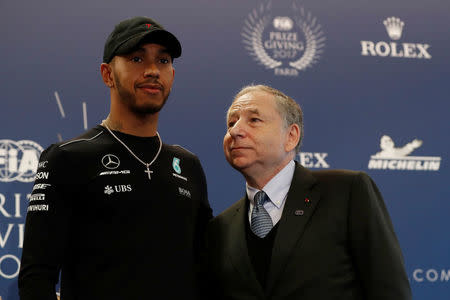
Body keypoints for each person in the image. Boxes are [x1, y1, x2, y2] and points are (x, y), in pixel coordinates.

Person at [19, 16, 212, 300]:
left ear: (172, 75)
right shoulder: (67, 157)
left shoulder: (188, 164)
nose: (152, 71)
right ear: (107, 74)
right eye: (136, 59)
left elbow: (205, 271)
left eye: (163, 60)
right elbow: (36, 279)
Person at [205, 84, 411, 299]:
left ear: (291, 136)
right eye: (231, 122)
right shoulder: (220, 228)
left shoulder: (347, 192)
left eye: (254, 120)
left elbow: (389, 290)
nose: (235, 130)